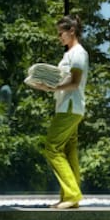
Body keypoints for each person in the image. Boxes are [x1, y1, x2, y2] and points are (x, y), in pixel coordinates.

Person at [31, 14, 89, 209]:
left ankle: (73, 194)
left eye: (61, 33)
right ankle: (68, 197)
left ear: (71, 31)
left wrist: (49, 89)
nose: (59, 38)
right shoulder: (70, 54)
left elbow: (74, 83)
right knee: (68, 150)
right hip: (67, 107)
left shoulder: (78, 54)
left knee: (52, 148)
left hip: (70, 108)